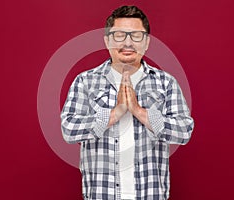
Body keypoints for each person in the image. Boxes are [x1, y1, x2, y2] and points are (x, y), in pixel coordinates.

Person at [61, 5, 194, 200]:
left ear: (147, 42)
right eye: (119, 35)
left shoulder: (165, 83)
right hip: (101, 194)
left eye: (136, 36)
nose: (128, 42)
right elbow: (69, 129)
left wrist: (139, 111)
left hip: (151, 194)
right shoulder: (85, 82)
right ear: (107, 41)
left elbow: (184, 130)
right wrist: (116, 112)